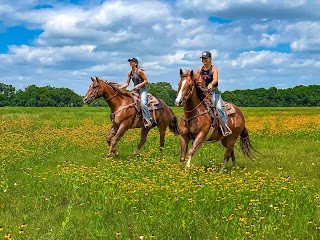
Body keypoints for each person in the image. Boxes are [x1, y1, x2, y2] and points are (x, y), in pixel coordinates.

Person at [196, 51, 232, 137]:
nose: (203, 60)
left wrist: (211, 84)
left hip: (213, 92)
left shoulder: (214, 69)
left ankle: (224, 126)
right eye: (202, 58)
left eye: (205, 58)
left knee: (219, 107)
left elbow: (215, 79)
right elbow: (197, 78)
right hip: (202, 92)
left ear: (210, 59)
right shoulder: (199, 69)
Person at [119, 57, 152, 127]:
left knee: (143, 104)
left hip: (143, 91)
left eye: (132, 62)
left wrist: (138, 85)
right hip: (136, 91)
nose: (130, 63)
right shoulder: (130, 73)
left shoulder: (139, 71)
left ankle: (148, 119)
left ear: (136, 63)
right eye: (130, 62)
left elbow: (146, 81)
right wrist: (119, 88)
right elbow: (127, 83)